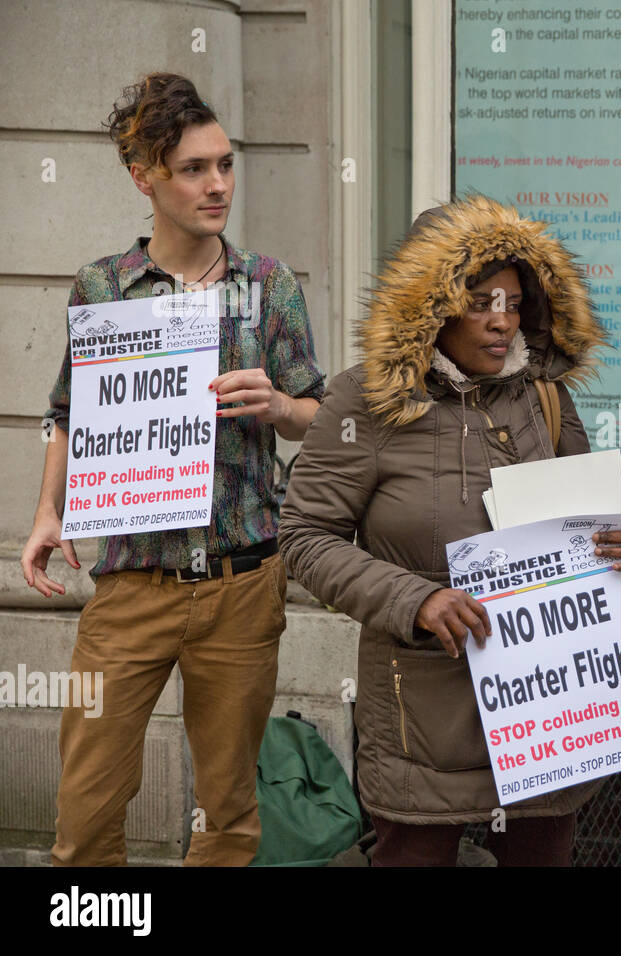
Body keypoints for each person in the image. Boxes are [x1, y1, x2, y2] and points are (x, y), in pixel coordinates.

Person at [279, 195, 621, 867]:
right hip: (425, 718)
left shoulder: (543, 395)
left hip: (550, 710)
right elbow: (305, 535)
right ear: (432, 305)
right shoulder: (364, 402)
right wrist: (413, 600)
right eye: (480, 302)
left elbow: (582, 525)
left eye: (513, 303)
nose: (501, 322)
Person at [20, 72, 325, 866]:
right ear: (144, 176)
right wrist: (49, 512)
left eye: (225, 164)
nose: (217, 184)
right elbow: (68, 412)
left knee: (228, 814)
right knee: (85, 811)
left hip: (241, 583)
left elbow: (326, 420)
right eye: (194, 168)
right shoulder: (102, 286)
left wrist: (278, 408)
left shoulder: (269, 286)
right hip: (132, 582)